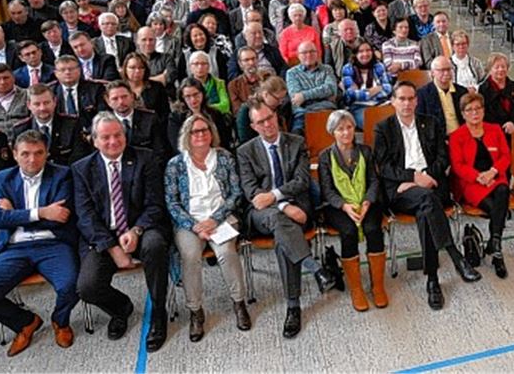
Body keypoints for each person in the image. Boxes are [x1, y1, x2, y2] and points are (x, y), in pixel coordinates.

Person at [0, 131, 79, 357]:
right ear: (15, 154)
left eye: (38, 153)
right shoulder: (2, 179)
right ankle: (26, 322)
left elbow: (62, 219)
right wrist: (43, 213)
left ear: (47, 153)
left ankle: (60, 321)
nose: (32, 159)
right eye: (25, 154)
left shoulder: (63, 175)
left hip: (53, 244)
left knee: (72, 285)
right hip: (15, 248)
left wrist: (16, 216)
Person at [373, 82, 481, 311]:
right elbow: (384, 167)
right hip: (401, 190)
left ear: (417, 101)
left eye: (411, 98)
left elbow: (443, 157)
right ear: (393, 101)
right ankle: (454, 254)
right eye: (401, 99)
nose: (407, 103)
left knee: (426, 209)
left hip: (431, 185)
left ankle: (433, 279)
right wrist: (413, 178)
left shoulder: (430, 123)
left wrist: (427, 177)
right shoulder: (383, 128)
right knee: (426, 201)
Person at [238, 98, 337, 339]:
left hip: (295, 208)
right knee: (281, 222)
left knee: (284, 237)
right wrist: (283, 205)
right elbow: (252, 192)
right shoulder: (245, 151)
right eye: (260, 122)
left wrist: (275, 197)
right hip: (262, 214)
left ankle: (293, 306)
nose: (267, 124)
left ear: (276, 116)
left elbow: (302, 181)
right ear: (253, 126)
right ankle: (314, 269)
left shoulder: (296, 143)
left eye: (269, 118)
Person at [73, 112, 171, 351]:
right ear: (94, 140)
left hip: (142, 227)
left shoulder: (144, 159)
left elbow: (155, 204)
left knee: (155, 246)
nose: (113, 141)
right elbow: (85, 217)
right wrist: (112, 247)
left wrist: (136, 231)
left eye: (118, 135)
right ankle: (120, 308)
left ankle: (158, 313)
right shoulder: (81, 169)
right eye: (105, 137)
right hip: (103, 236)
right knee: (87, 287)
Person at [164, 113, 251, 341]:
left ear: (211, 133)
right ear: (187, 136)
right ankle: (196, 311)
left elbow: (235, 193)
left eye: (204, 130)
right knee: (191, 255)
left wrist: (215, 219)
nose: (200, 134)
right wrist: (195, 226)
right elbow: (172, 203)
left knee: (226, 253)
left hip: (221, 219)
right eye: (195, 131)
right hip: (189, 223)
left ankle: (239, 303)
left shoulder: (224, 158)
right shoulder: (175, 165)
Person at [316, 110, 387, 311]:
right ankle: (356, 288)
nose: (346, 133)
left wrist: (366, 202)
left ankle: (378, 285)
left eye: (349, 128)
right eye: (340, 129)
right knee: (348, 232)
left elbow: (374, 181)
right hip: (339, 206)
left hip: (366, 202)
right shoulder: (325, 156)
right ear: (333, 132)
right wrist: (345, 206)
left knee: (373, 228)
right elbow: (327, 190)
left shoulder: (365, 151)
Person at [448, 92, 512, 278]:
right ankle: (496, 250)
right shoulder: (457, 136)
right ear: (463, 113)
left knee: (502, 189)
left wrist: (492, 172)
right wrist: (479, 177)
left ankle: (495, 245)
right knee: (496, 209)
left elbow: (505, 156)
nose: (474, 113)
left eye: (478, 109)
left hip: (495, 177)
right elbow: (458, 166)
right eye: (469, 110)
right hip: (471, 183)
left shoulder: (494, 130)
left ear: (483, 111)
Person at [11, 85, 91, 167]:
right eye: (37, 104)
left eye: (46, 103)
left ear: (54, 102)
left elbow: (79, 158)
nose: (42, 108)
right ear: (29, 105)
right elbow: (17, 161)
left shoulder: (72, 124)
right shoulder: (20, 130)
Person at [284, 41, 338, 133]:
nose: (309, 55)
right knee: (296, 137)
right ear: (298, 55)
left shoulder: (327, 69)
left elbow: (330, 88)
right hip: (303, 113)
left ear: (317, 53)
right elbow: (295, 97)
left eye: (312, 51)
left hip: (327, 110)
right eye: (304, 52)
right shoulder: (291, 73)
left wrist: (304, 96)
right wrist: (322, 94)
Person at [339, 40, 390, 129]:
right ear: (355, 54)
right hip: (358, 107)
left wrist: (361, 93)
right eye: (361, 51)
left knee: (392, 122)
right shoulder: (348, 68)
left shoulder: (379, 66)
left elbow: (388, 88)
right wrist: (374, 90)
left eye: (368, 50)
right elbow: (350, 95)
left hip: (380, 104)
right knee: (375, 125)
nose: (365, 54)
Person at [480, 53, 514, 135]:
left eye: (503, 67)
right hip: (496, 134)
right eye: (496, 67)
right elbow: (485, 116)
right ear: (490, 70)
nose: (500, 69)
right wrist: (505, 128)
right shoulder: (483, 90)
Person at [416, 56, 466, 137]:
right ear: (432, 73)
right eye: (442, 70)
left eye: (449, 69)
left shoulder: (462, 91)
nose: (446, 73)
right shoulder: (422, 94)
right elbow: (421, 123)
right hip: (437, 141)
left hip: (462, 137)